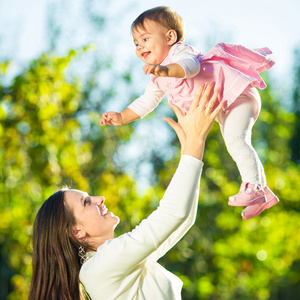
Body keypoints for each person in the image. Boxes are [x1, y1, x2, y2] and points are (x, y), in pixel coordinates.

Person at [29, 84, 224, 300]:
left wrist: (192, 147)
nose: (99, 199)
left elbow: (182, 218)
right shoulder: (98, 269)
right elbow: (172, 215)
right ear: (76, 232)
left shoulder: (115, 263)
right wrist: (194, 144)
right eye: (86, 202)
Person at [100, 6, 279, 220]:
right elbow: (147, 101)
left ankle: (253, 188)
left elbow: (190, 67)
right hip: (224, 105)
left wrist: (167, 70)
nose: (140, 47)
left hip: (238, 94)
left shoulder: (179, 53)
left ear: (170, 37)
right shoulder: (158, 76)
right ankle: (263, 193)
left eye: (145, 39)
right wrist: (122, 117)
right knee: (235, 141)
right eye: (136, 43)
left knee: (235, 140)